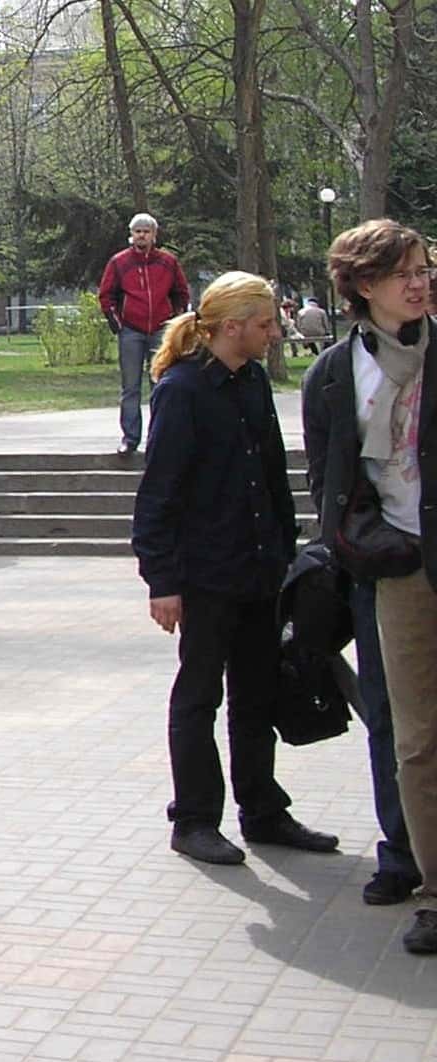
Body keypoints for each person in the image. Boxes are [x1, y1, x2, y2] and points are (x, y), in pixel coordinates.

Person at [131, 271, 338, 867]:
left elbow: (272, 477)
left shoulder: (251, 382)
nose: (276, 333)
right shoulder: (183, 390)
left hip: (260, 569)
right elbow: (159, 494)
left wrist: (287, 551)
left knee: (257, 694)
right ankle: (194, 819)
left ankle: (263, 810)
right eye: (266, 323)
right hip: (205, 574)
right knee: (199, 697)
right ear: (231, 326)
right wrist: (162, 581)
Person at [301, 219, 437, 951]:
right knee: (407, 732)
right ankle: (418, 871)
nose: (419, 283)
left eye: (423, 269)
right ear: (360, 286)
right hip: (392, 568)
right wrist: (359, 546)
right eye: (402, 273)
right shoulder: (333, 373)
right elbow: (331, 479)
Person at [99, 213, 191, 455]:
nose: (142, 235)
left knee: (160, 384)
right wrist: (118, 325)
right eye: (138, 231)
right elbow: (106, 295)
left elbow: (181, 292)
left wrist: (174, 321)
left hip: (161, 330)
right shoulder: (119, 262)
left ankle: (161, 436)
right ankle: (130, 438)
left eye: (146, 231)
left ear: (154, 235)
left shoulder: (167, 262)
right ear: (131, 234)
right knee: (130, 387)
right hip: (131, 330)